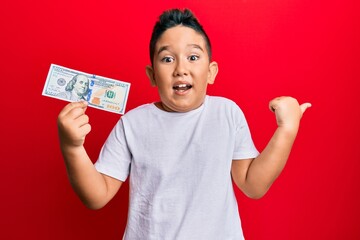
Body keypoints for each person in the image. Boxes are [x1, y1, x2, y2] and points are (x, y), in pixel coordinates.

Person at [57, 9, 311, 240]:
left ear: (211, 72)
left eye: (192, 57)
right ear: (152, 75)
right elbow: (96, 196)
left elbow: (252, 185)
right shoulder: (132, 124)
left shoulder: (227, 113)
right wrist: (73, 147)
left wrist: (286, 130)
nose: (181, 69)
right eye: (168, 59)